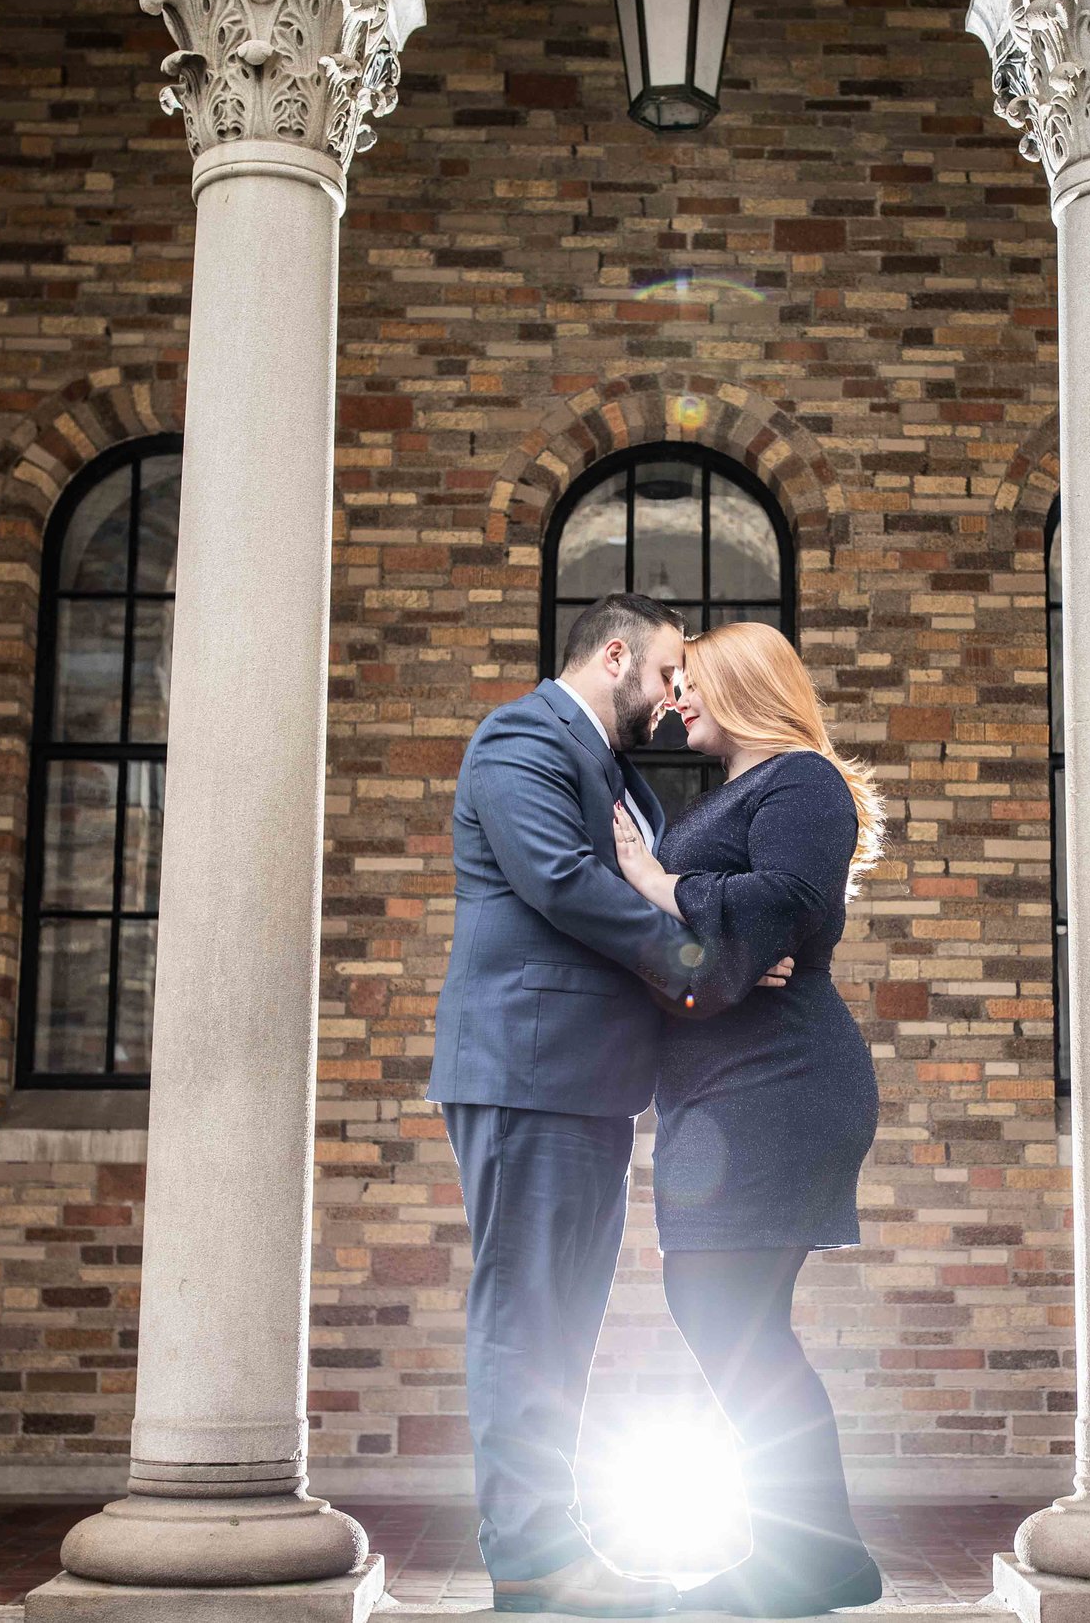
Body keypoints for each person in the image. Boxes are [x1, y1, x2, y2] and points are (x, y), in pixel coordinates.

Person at [429, 593, 790, 1617]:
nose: (675, 694)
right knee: (525, 1318)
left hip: (584, 1080)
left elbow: (646, 876)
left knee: (563, 1323)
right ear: (617, 653)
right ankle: (533, 1562)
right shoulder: (519, 738)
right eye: (670, 671)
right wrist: (702, 962)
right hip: (528, 1070)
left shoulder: (617, 774)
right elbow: (562, 880)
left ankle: (557, 1544)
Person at [608, 620, 887, 1618]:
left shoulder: (799, 779)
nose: (674, 698)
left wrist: (653, 881)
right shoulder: (736, 793)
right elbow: (727, 941)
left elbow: (781, 905)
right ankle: (816, 1554)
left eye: (688, 683)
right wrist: (709, 944)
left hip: (779, 1079)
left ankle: (809, 1557)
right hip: (727, 1085)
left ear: (737, 686)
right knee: (734, 1316)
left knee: (726, 1312)